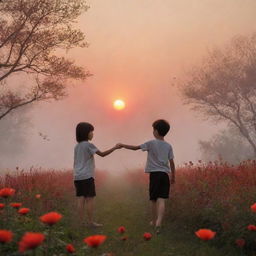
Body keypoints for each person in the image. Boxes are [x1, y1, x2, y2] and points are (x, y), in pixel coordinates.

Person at [118, 119, 175, 234]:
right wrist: (173, 176)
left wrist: (122, 145)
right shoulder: (168, 146)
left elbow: (135, 148)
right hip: (165, 175)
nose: (152, 131)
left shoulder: (151, 143)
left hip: (155, 175)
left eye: (153, 129)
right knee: (162, 199)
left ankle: (153, 222)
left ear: (156, 131)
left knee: (154, 199)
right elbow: (172, 162)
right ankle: (159, 222)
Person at [74, 122, 121, 227]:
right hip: (87, 176)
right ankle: (90, 222)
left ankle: (79, 223)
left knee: (80, 199)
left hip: (78, 176)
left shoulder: (77, 146)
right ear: (86, 133)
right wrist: (115, 147)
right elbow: (102, 154)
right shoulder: (89, 145)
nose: (92, 134)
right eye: (91, 132)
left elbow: (75, 162)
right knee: (89, 199)